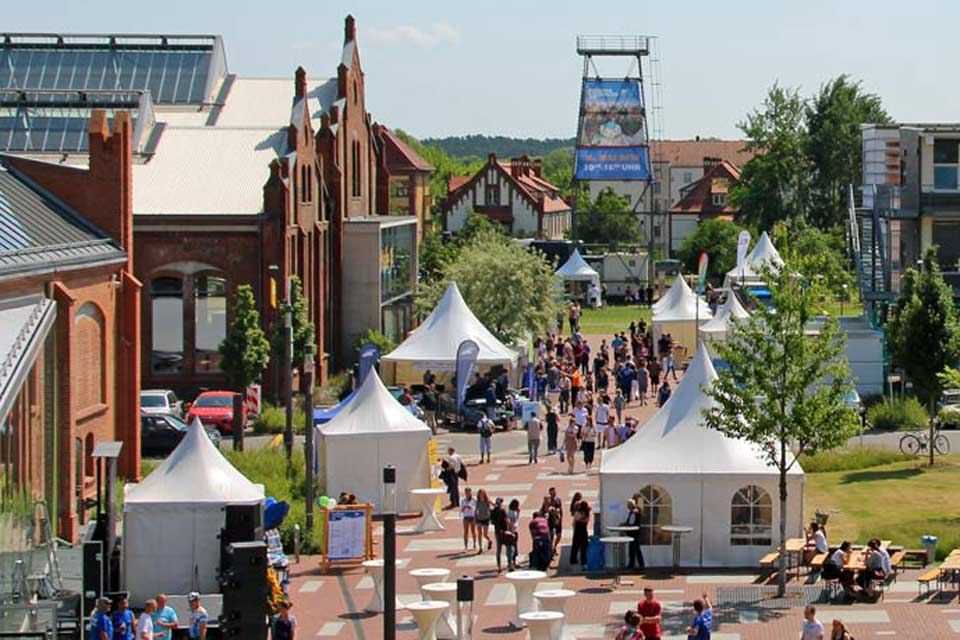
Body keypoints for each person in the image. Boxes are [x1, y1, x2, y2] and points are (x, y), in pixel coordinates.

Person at [569, 493, 591, 569]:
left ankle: (573, 560)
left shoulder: (578, 512)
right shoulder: (587, 514)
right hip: (583, 531)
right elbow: (586, 521)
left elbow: (576, 519)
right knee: (583, 547)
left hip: (578, 530)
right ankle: (583, 562)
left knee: (576, 545)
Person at [624, 499, 645, 570]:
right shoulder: (635, 511)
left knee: (634, 549)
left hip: (634, 533)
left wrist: (625, 525)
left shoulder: (634, 511)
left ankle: (635, 564)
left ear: (630, 505)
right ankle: (638, 564)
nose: (627, 507)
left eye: (628, 505)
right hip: (634, 532)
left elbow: (632, 523)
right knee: (635, 549)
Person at [460, 487, 478, 551]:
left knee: (473, 531)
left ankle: (474, 544)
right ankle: (466, 546)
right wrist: (464, 507)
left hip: (472, 517)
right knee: (466, 532)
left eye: (469, 492)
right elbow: (461, 510)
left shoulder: (474, 499)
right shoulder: (463, 500)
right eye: (466, 493)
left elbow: (477, 508)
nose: (468, 494)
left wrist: (472, 507)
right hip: (466, 517)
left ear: (471, 492)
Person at [547, 487, 563, 557]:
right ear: (550, 493)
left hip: (558, 519)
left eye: (555, 492)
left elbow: (560, 509)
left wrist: (560, 516)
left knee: (559, 535)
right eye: (552, 492)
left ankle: (554, 546)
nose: (554, 493)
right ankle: (551, 550)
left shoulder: (558, 500)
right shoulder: (548, 500)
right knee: (551, 535)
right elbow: (546, 509)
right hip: (551, 520)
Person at [505, 498, 521, 571]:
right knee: (512, 547)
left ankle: (513, 562)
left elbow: (516, 519)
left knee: (515, 547)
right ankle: (511, 563)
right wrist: (512, 532)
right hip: (512, 531)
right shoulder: (511, 512)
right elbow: (510, 522)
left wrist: (518, 512)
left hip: (515, 529)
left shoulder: (513, 511)